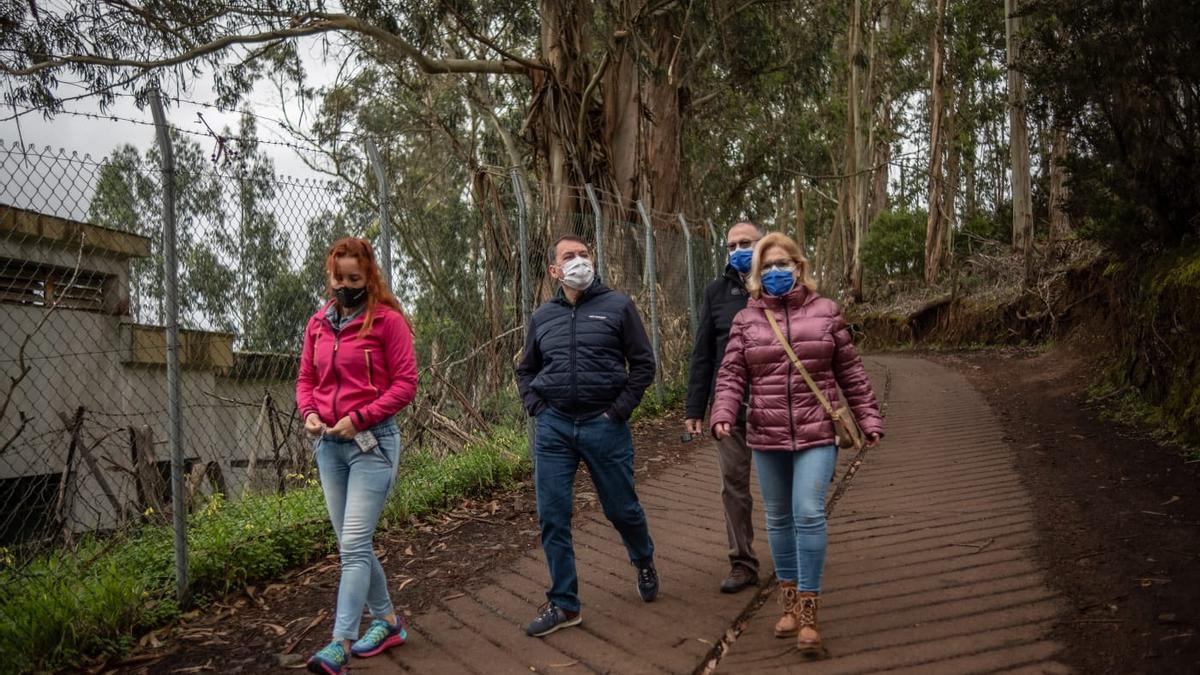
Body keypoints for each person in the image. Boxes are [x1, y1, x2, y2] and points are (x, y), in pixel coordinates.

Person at [710, 232, 883, 657]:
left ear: (799, 267)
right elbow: (732, 375)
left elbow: (852, 372)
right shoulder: (746, 321)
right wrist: (723, 412)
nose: (774, 272)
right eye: (766, 267)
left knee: (807, 511)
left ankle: (809, 611)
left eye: (782, 264)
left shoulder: (827, 312)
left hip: (817, 431)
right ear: (756, 275)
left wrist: (869, 418)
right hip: (766, 433)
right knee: (779, 518)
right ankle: (787, 605)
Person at [515, 233, 659, 637]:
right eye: (569, 256)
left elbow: (644, 365)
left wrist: (618, 411)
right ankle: (564, 603)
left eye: (584, 254)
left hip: (604, 425)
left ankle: (643, 557)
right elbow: (525, 369)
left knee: (621, 509)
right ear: (554, 271)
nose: (579, 260)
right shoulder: (543, 316)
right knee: (553, 517)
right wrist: (537, 406)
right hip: (555, 427)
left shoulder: (618, 305)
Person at [296, 238, 418, 675]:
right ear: (329, 277)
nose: (345, 286)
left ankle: (339, 643)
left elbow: (405, 385)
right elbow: (305, 379)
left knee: (352, 546)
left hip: (373, 444)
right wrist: (309, 412)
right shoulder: (317, 324)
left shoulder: (387, 322)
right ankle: (387, 621)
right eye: (338, 278)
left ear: (369, 278)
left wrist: (361, 417)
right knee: (355, 544)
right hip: (329, 445)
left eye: (354, 279)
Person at [685, 221, 763, 594]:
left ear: (763, 244)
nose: (737, 250)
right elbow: (703, 352)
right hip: (729, 408)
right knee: (733, 486)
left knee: (784, 487)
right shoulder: (717, 292)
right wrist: (695, 408)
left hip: (777, 404)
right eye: (731, 245)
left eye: (745, 243)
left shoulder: (781, 285)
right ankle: (742, 562)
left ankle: (796, 555)